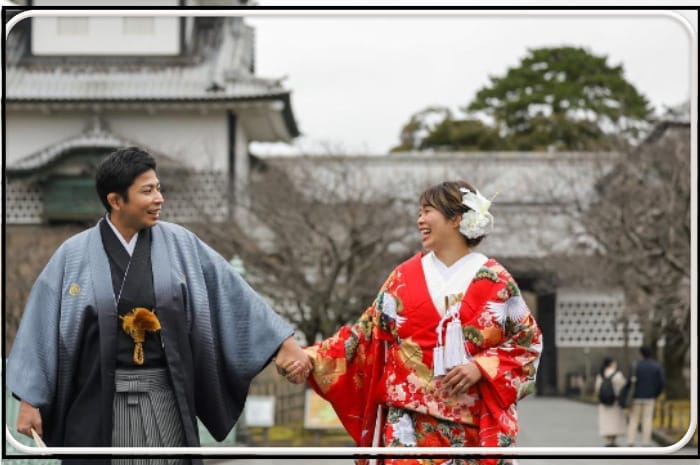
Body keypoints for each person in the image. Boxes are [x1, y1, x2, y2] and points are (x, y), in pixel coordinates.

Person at [6, 147, 311, 465]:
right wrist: (30, 399)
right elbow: (41, 327)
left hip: (165, 400)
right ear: (116, 200)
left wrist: (283, 344)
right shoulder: (73, 254)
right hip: (96, 405)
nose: (159, 198)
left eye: (159, 188)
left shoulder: (182, 244)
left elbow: (232, 294)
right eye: (147, 191)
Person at [282, 180, 543, 465]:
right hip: (407, 428)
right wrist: (308, 358)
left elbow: (527, 343)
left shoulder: (495, 280)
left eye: (427, 211)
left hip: (471, 429)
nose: (420, 219)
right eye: (419, 212)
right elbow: (364, 336)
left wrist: (480, 367)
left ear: (456, 218)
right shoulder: (403, 277)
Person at [626, 345, 665, 446]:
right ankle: (645, 443)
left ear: (641, 353)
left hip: (636, 397)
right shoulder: (656, 366)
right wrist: (655, 394)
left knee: (634, 419)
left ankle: (631, 441)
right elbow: (661, 382)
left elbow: (629, 382)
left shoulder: (635, 366)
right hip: (650, 397)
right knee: (647, 420)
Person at [594, 357, 627, 446]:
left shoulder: (601, 374)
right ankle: (613, 440)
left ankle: (608, 440)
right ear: (611, 364)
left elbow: (597, 388)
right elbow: (623, 385)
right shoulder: (617, 374)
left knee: (606, 421)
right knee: (615, 420)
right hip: (615, 402)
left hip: (603, 402)